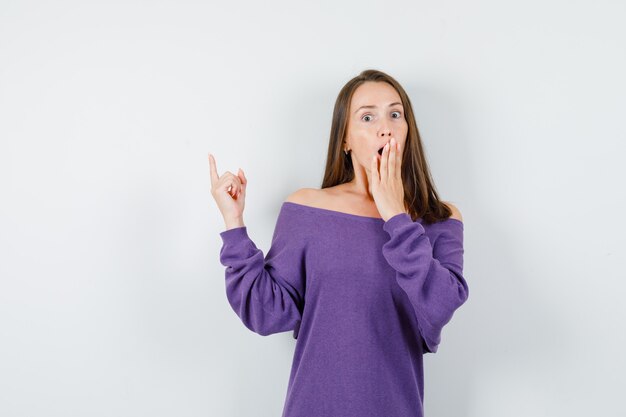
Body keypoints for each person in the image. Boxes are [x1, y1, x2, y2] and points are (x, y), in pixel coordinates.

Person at [208, 69, 469, 417]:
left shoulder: (439, 218)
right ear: (344, 139)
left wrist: (395, 215)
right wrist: (234, 222)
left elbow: (439, 307)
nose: (385, 127)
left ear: (408, 131)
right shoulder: (307, 208)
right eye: (367, 116)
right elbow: (264, 312)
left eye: (395, 114)